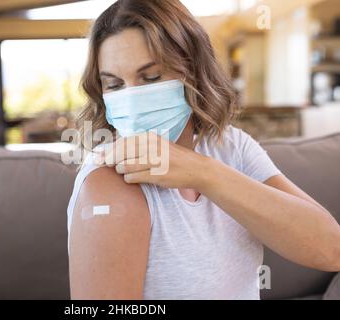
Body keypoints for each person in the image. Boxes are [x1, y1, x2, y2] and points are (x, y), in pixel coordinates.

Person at [67, 0, 340, 300]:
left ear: (193, 72)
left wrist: (202, 172)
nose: (131, 97)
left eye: (151, 77)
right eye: (115, 85)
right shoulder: (110, 181)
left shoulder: (231, 147)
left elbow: (331, 249)